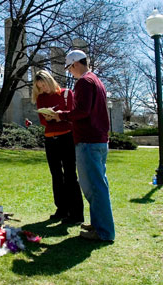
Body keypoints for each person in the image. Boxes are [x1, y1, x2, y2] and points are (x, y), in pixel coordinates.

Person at [52, 50, 115, 241]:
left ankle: (104, 232)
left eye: (70, 68)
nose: (70, 72)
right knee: (97, 184)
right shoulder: (95, 81)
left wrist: (60, 115)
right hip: (98, 140)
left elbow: (82, 111)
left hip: (89, 140)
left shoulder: (84, 82)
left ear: (75, 64)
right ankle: (98, 224)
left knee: (94, 187)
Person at [32, 70, 84, 224]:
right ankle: (61, 209)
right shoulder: (41, 98)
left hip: (66, 136)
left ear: (50, 81)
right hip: (50, 138)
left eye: (44, 85)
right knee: (56, 174)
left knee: (69, 174)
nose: (43, 89)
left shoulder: (66, 94)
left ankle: (76, 213)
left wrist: (58, 116)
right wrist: (50, 118)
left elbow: (72, 117)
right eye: (39, 87)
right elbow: (42, 120)